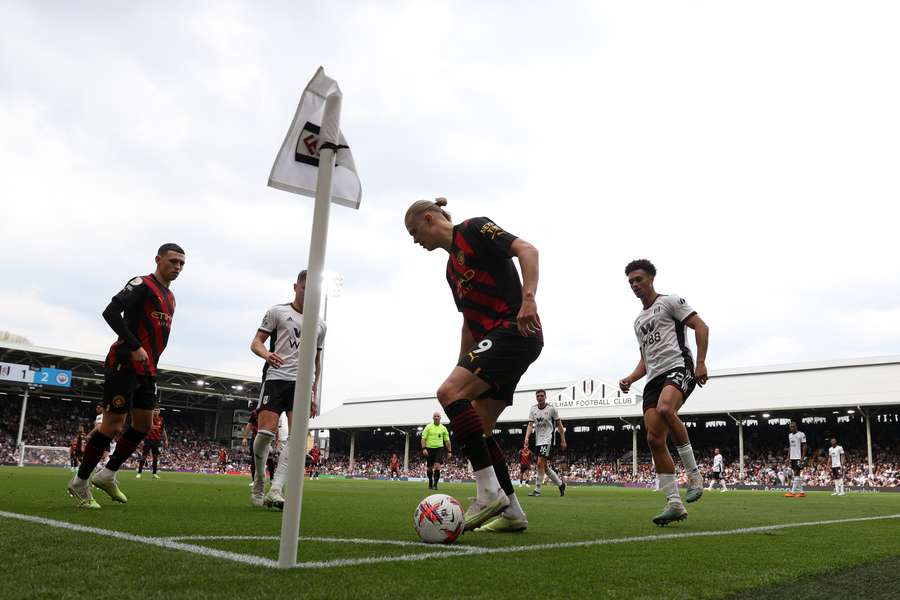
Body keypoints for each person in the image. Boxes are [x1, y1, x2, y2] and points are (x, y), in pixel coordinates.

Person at [405, 197, 543, 533]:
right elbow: (468, 323)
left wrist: (528, 299)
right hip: (494, 341)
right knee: (479, 428)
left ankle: (487, 493)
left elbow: (528, 250)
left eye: (413, 231)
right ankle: (513, 512)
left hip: (514, 329)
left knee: (448, 392)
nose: (414, 240)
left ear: (428, 218)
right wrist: (463, 365)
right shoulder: (452, 269)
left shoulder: (474, 228)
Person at [67, 243, 184, 508]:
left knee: (143, 425)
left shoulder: (171, 297)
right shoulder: (142, 284)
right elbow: (110, 312)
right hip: (124, 363)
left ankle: (107, 474)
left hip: (148, 369)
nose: (177, 267)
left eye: (181, 264)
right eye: (173, 261)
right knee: (113, 426)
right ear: (158, 259)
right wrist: (134, 345)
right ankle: (80, 481)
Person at [618, 259, 709, 526]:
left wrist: (701, 362)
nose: (635, 285)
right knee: (654, 439)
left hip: (678, 366)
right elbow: (645, 360)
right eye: (631, 282)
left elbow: (701, 327)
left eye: (639, 279)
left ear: (651, 278)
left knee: (666, 409)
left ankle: (694, 476)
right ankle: (674, 503)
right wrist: (630, 377)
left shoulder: (670, 302)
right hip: (654, 379)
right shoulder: (638, 322)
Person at [249, 270, 325, 509]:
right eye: (305, 288)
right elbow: (256, 343)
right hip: (275, 378)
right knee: (265, 434)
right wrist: (267, 354)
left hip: (301, 385)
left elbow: (316, 362)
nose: (309, 293)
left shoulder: (320, 325)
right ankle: (260, 478)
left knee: (297, 438)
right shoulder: (278, 312)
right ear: (296, 287)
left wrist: (313, 393)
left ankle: (276, 489)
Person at [524, 389, 567, 497]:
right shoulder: (533, 409)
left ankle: (537, 490)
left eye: (541, 396)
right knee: (544, 466)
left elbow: (560, 426)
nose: (539, 397)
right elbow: (530, 425)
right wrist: (527, 437)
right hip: (538, 440)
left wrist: (563, 440)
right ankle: (561, 484)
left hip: (548, 439)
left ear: (545, 397)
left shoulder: (552, 409)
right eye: (538, 396)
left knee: (539, 463)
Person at [242, 406, 275, 486]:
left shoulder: (271, 412)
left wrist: (276, 439)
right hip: (256, 437)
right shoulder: (255, 413)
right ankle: (254, 480)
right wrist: (245, 438)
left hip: (268, 437)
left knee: (270, 459)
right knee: (254, 459)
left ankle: (272, 479)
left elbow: (275, 425)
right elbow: (249, 425)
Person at [421, 412, 452, 490]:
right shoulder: (428, 427)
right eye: (435, 416)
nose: (436, 417)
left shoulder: (443, 428)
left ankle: (435, 485)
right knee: (429, 468)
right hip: (429, 449)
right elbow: (423, 439)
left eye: (438, 416)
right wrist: (424, 448)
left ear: (440, 418)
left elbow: (447, 441)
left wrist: (449, 451)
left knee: (437, 466)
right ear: (433, 418)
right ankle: (430, 481)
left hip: (439, 449)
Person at [136, 407, 168, 479]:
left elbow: (163, 430)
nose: (156, 411)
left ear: (159, 412)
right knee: (144, 457)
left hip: (156, 441)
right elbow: (143, 429)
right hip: (148, 440)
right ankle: (139, 473)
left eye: (157, 410)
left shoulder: (161, 420)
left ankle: (154, 474)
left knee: (155, 458)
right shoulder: (148, 419)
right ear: (153, 411)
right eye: (155, 410)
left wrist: (166, 440)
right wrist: (141, 440)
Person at [785, 420, 807, 498]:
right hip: (792, 457)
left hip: (798, 457)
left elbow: (804, 446)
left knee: (797, 474)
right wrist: (788, 457)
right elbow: (790, 447)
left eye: (793, 426)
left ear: (796, 427)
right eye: (790, 427)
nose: (792, 428)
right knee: (796, 474)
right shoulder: (790, 435)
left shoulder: (801, 434)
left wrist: (802, 457)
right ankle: (801, 492)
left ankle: (793, 492)